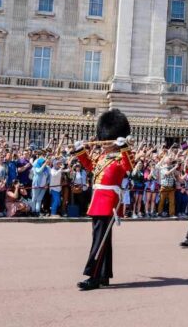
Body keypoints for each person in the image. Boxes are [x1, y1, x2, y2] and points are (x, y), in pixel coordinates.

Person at [74, 109, 133, 291]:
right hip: (97, 201)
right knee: (102, 240)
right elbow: (90, 166)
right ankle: (104, 275)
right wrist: (80, 151)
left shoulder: (120, 157)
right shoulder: (101, 157)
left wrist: (124, 147)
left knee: (98, 241)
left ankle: (93, 276)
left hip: (108, 202)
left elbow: (129, 167)